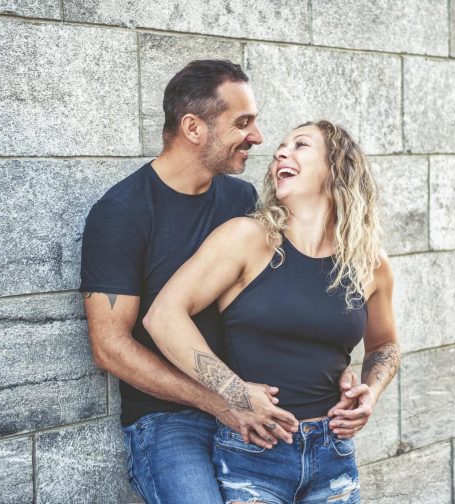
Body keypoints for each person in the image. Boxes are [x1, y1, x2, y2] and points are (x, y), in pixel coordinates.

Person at [79, 61, 366, 504]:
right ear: (194, 127)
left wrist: (329, 365)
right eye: (243, 123)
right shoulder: (123, 211)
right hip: (170, 419)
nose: (258, 138)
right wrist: (222, 400)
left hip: (256, 405)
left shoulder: (241, 200)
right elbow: (109, 347)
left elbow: (290, 294)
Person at [144, 120, 401, 503]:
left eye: (300, 145)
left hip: (334, 453)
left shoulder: (369, 263)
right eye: (281, 148)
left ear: (337, 168)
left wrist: (371, 393)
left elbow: (384, 344)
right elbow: (162, 316)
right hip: (254, 452)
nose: (281, 152)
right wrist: (234, 391)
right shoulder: (248, 238)